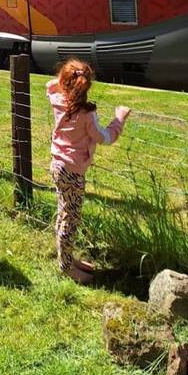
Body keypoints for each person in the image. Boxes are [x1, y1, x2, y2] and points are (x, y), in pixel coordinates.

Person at [47, 59, 130, 284]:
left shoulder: (56, 98)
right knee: (70, 219)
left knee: (64, 212)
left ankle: (66, 257)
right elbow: (105, 137)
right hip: (73, 172)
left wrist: (69, 78)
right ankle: (65, 266)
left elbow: (51, 84)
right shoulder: (86, 114)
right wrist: (119, 119)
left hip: (57, 166)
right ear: (86, 85)